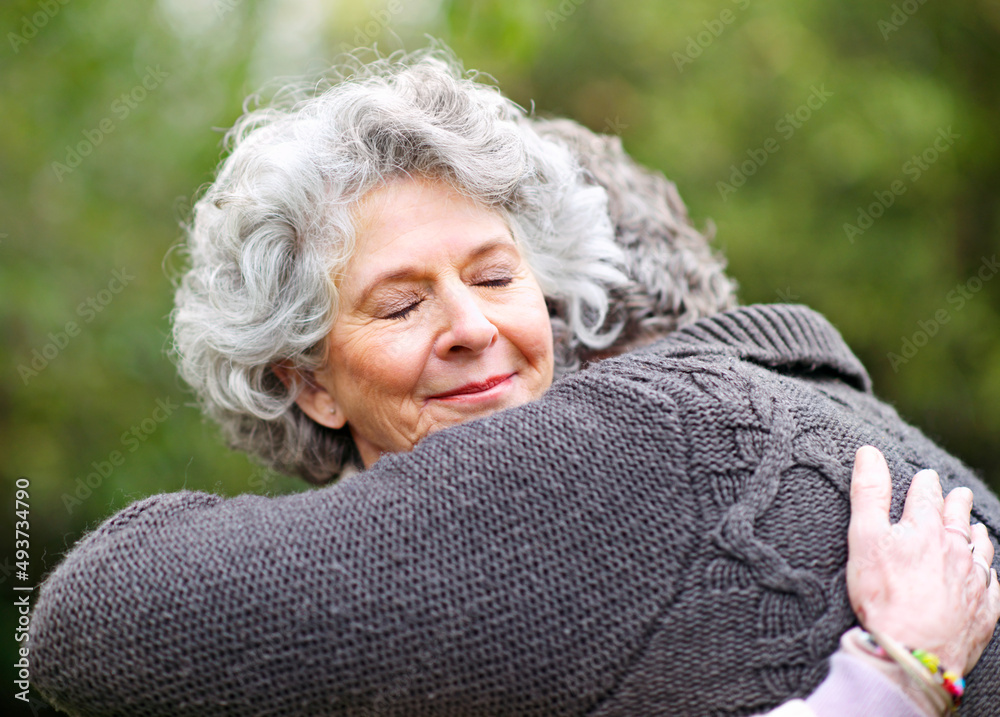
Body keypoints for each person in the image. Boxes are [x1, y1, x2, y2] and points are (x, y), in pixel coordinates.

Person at [29, 49, 1000, 716]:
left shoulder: (592, 468)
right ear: (309, 385)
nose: (470, 325)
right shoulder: (810, 415)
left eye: (497, 278)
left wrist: (897, 679)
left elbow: (83, 622)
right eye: (401, 304)